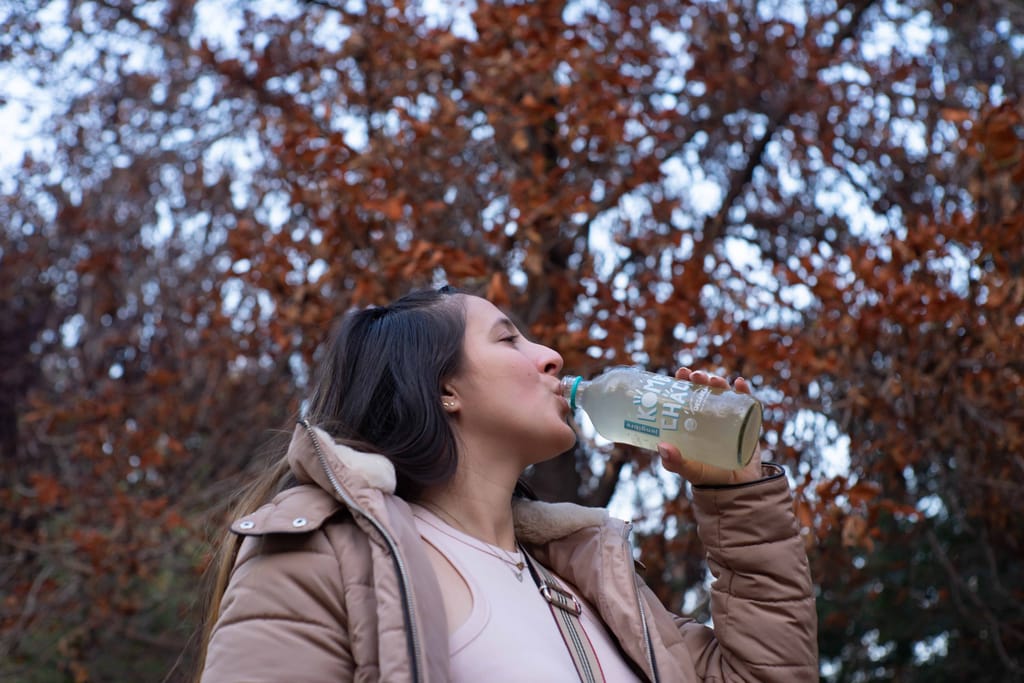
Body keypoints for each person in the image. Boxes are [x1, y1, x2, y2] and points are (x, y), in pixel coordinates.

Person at [196, 287, 818, 682]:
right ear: (444, 390)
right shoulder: (330, 554)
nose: (550, 355)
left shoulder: (587, 584)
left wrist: (736, 498)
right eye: (508, 339)